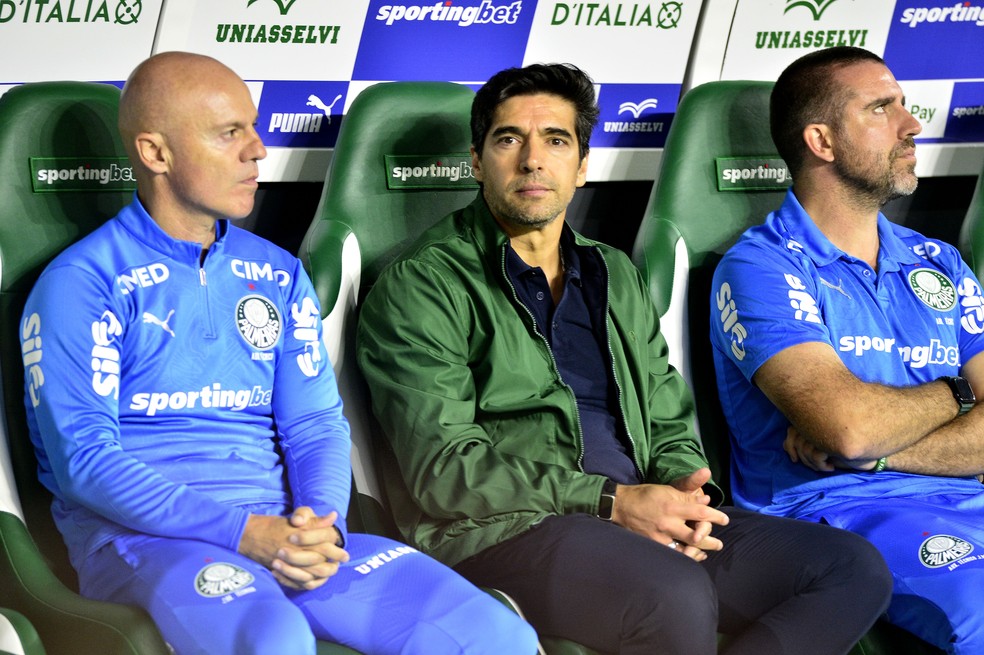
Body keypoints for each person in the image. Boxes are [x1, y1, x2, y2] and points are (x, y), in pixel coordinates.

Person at [357, 62, 892, 655]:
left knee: (850, 570)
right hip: (500, 533)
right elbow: (444, 472)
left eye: (556, 141)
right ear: (478, 162)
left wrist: (690, 489)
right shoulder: (423, 285)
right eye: (508, 139)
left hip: (637, 512)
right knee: (673, 593)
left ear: (582, 166)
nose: (533, 159)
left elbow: (666, 417)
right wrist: (611, 502)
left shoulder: (612, 272)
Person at [20, 51, 537, 655]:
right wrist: (244, 534)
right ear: (155, 154)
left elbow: (314, 423)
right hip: (147, 544)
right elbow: (85, 462)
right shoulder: (81, 282)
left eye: (254, 128)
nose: (257, 150)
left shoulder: (274, 270)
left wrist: (321, 527)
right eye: (228, 133)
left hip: (288, 539)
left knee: (495, 632)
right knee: (272, 639)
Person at [710, 46, 984, 654]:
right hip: (837, 517)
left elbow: (862, 446)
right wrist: (961, 395)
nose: (912, 125)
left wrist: (885, 454)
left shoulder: (938, 261)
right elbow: (848, 428)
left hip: (964, 497)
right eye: (882, 109)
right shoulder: (761, 266)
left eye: (905, 107)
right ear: (822, 142)